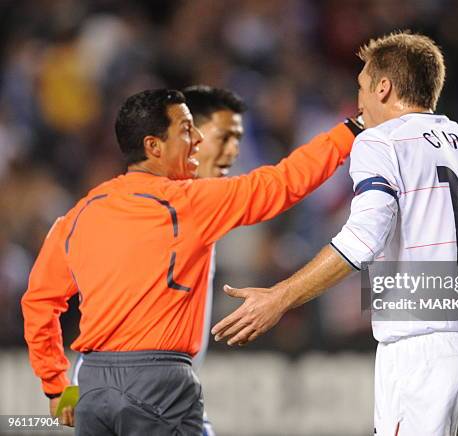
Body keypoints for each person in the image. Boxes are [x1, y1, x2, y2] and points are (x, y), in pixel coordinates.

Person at [212, 31, 458, 435]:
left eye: (361, 87)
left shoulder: (381, 142)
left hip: (424, 355)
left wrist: (278, 298)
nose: (358, 103)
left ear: (383, 87)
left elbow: (363, 239)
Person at [22, 88, 361, 435]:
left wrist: (56, 388)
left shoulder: (80, 213)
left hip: (91, 383)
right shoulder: (190, 203)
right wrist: (352, 129)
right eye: (186, 129)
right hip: (156, 384)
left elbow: (38, 301)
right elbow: (284, 182)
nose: (197, 138)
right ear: (154, 146)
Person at [68, 85, 248, 435]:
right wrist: (68, 394)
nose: (233, 151)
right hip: (137, 391)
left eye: (238, 139)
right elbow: (95, 326)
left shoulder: (200, 207)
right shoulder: (139, 214)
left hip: (163, 394)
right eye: (223, 137)